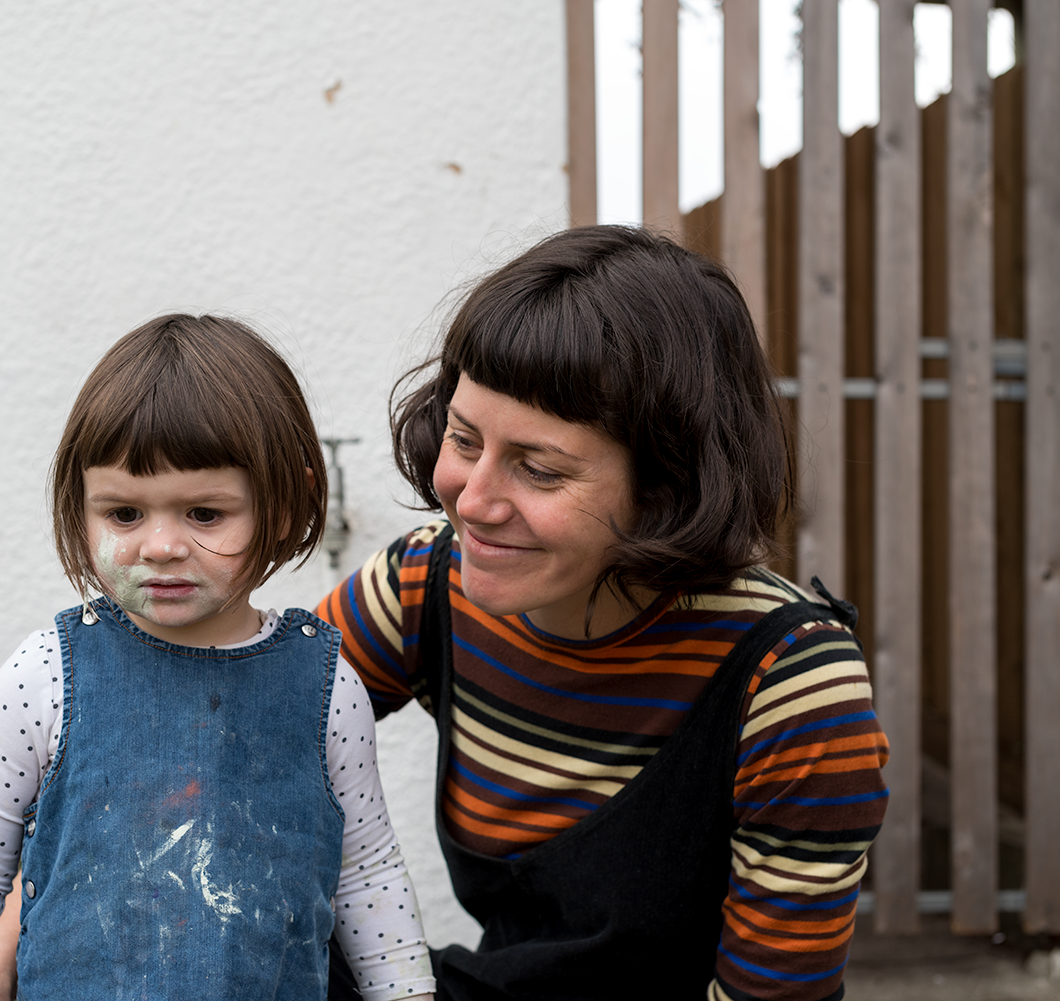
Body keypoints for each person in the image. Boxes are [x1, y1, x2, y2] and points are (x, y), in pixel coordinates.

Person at [318, 226, 889, 1001]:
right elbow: (239, 727)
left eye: (539, 468)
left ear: (666, 483)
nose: (474, 501)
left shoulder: (789, 683)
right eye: (464, 438)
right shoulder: (424, 582)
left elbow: (772, 995)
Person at [0, 315, 437, 1001]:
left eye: (204, 514)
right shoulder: (45, 674)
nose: (160, 545)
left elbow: (366, 874)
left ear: (286, 503)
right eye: (123, 513)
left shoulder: (326, 688)